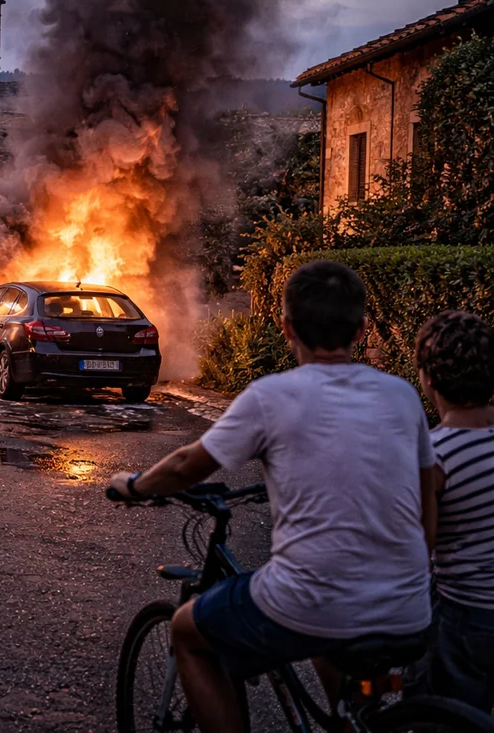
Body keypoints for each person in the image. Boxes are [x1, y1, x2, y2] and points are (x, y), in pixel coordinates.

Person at [107, 260, 433, 733]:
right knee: (330, 643)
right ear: (363, 329)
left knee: (186, 630)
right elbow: (427, 501)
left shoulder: (271, 396)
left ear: (285, 328)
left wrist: (134, 485)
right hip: (408, 606)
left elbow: (186, 465)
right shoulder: (401, 395)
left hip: (309, 600)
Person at [415, 310, 494, 712]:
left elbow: (421, 543)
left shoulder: (436, 456)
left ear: (428, 380)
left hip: (466, 615)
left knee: (448, 714)